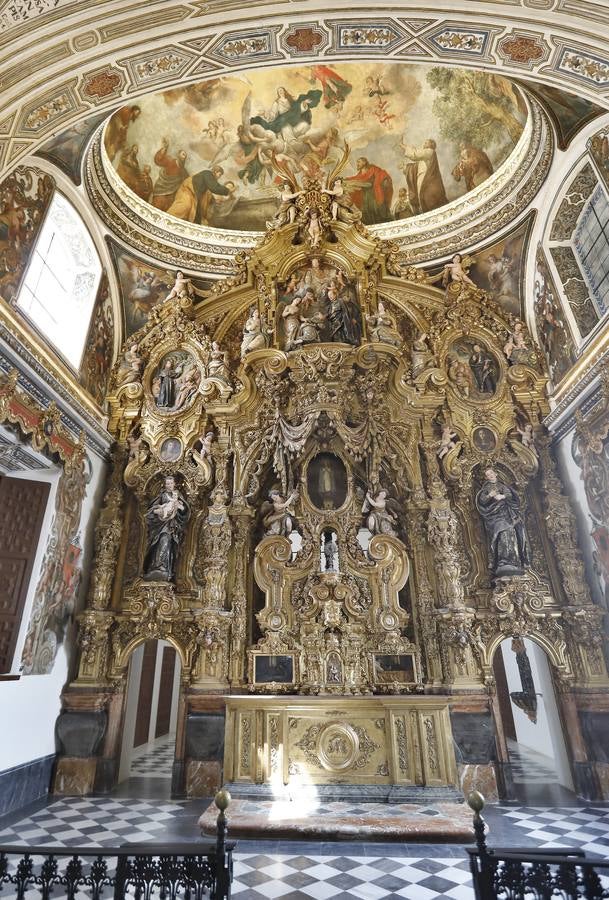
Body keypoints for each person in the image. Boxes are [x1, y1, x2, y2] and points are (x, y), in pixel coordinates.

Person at [476, 467, 529, 579]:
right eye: (487, 474)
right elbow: (482, 500)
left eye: (491, 473)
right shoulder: (486, 488)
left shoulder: (503, 486)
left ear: (495, 473)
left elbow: (510, 494)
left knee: (512, 533)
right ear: (486, 477)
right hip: (495, 516)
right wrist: (490, 495)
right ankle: (503, 560)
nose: (490, 475)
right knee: (503, 533)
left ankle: (514, 560)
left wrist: (503, 496)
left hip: (507, 514)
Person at [143, 476, 190, 582]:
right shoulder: (162, 495)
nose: (168, 485)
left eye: (170, 483)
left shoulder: (178, 496)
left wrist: (180, 507)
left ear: (174, 484)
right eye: (167, 484)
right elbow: (151, 510)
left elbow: (185, 511)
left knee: (166, 542)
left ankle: (164, 567)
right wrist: (158, 511)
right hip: (160, 525)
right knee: (158, 543)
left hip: (172, 526)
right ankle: (156, 566)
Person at [167, 165, 234, 225]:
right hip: (187, 191)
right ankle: (167, 220)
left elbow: (211, 192)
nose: (219, 177)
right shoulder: (208, 173)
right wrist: (228, 191)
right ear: (215, 171)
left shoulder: (210, 181)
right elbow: (214, 187)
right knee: (185, 206)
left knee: (197, 216)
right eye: (219, 175)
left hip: (195, 197)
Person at [400, 138, 448, 215]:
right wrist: (405, 167)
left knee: (428, 199)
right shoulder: (425, 156)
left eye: (426, 143)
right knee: (423, 200)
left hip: (426, 179)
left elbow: (415, 154)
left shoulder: (430, 151)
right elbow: (415, 167)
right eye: (424, 142)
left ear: (431, 145)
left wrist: (404, 146)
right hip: (422, 178)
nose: (424, 144)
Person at [346, 156, 393, 224]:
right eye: (357, 162)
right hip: (365, 196)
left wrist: (384, 180)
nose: (357, 164)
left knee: (377, 209)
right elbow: (356, 179)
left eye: (359, 162)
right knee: (366, 211)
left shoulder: (373, 169)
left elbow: (382, 174)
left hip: (374, 195)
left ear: (364, 162)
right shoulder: (360, 174)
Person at [152, 140, 189, 211]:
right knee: (156, 208)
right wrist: (165, 148)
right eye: (183, 154)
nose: (184, 157)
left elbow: (187, 182)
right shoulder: (170, 161)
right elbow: (158, 160)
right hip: (161, 190)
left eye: (185, 156)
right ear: (178, 155)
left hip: (172, 195)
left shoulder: (183, 171)